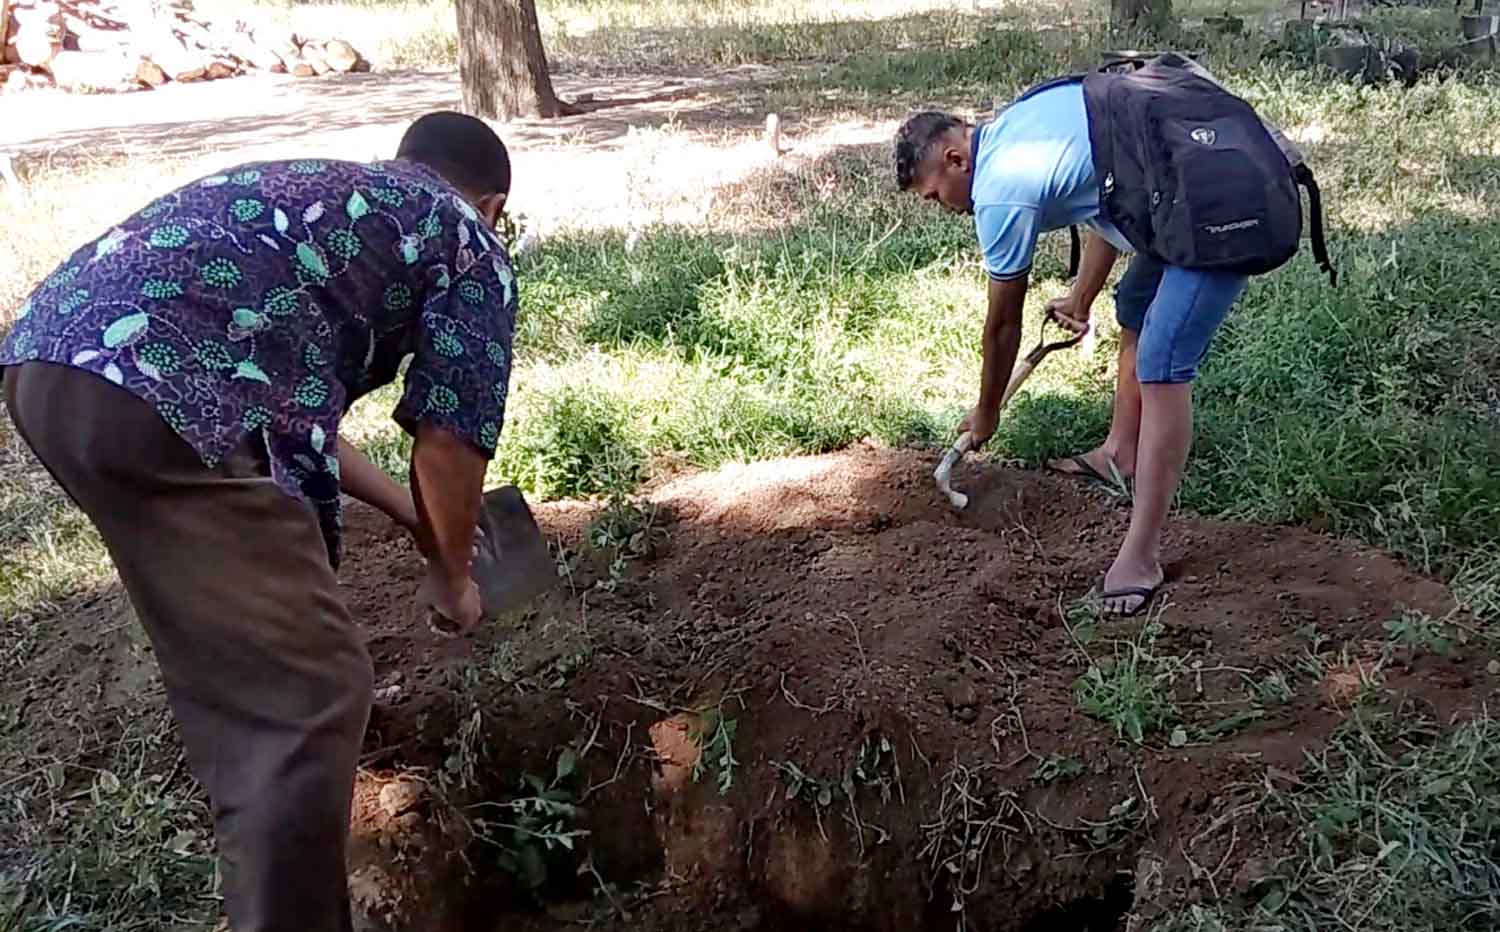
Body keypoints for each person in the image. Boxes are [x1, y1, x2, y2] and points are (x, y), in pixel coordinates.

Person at [0, 110, 519, 932]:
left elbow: (279, 403)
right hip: (167, 397)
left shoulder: (346, 198)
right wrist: (453, 580)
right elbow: (452, 435)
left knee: (244, 690)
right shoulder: (467, 237)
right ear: (493, 204)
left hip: (49, 370)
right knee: (308, 694)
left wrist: (411, 520)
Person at [894, 84, 1249, 617]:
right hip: (1176, 186)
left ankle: (1142, 555)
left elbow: (1003, 325)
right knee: (1134, 303)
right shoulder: (1018, 130)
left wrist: (988, 411)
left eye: (934, 195)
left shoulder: (999, 191)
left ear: (955, 159)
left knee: (1162, 361)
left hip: (1219, 201)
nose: (940, 208)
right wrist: (1082, 298)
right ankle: (1120, 454)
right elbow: (1108, 193)